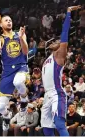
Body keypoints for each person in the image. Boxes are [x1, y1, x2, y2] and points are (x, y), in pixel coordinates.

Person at [0, 15, 29, 131]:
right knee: (1, 107)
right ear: (0, 24)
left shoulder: (20, 33)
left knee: (18, 82)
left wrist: (21, 38)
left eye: (10, 20)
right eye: (6, 20)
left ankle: (24, 101)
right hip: (7, 72)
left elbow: (25, 51)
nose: (9, 22)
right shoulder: (0, 38)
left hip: (21, 67)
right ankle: (6, 116)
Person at [41, 5, 81, 136]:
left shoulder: (60, 55)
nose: (54, 41)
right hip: (47, 94)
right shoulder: (48, 58)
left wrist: (68, 13)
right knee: (46, 126)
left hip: (56, 93)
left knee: (58, 123)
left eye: (57, 41)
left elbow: (64, 34)